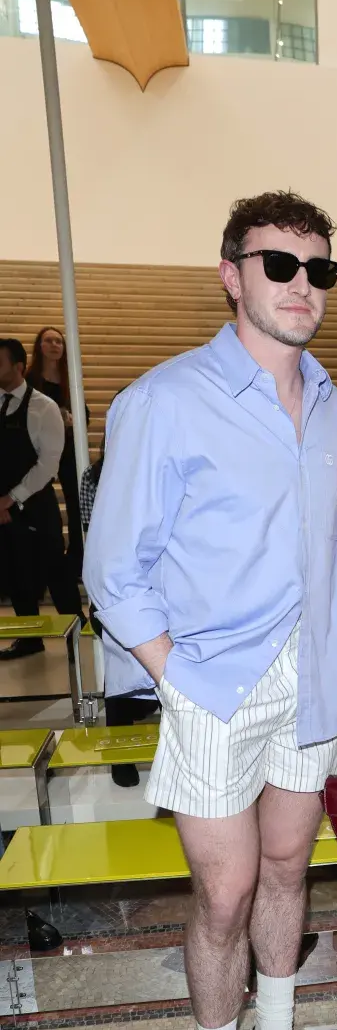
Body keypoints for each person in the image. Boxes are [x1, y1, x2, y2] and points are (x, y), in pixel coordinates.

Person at [84, 191, 337, 1030]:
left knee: (289, 872)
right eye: (279, 265)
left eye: (318, 270)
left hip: (309, 679)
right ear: (231, 274)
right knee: (227, 891)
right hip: (211, 683)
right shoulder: (166, 399)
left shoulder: (331, 404)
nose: (301, 287)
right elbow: (114, 568)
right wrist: (179, 678)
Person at [79, 422, 158, 789]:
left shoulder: (161, 466)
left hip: (163, 584)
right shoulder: (94, 479)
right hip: (116, 584)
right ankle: (120, 756)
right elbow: (93, 534)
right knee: (120, 670)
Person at [0, 337, 84, 659]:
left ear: (19, 367)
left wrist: (11, 498)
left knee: (55, 572)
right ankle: (29, 638)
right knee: (13, 570)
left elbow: (48, 464)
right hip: (3, 508)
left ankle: (77, 632)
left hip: (34, 504)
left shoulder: (43, 407)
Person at [27, 326, 89, 579]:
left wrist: (73, 419)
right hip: (37, 449)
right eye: (48, 341)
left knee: (76, 502)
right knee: (37, 502)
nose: (54, 345)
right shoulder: (30, 379)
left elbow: (84, 414)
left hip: (70, 445)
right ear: (39, 346)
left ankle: (77, 558)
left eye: (59, 341)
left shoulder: (70, 378)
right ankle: (39, 560)